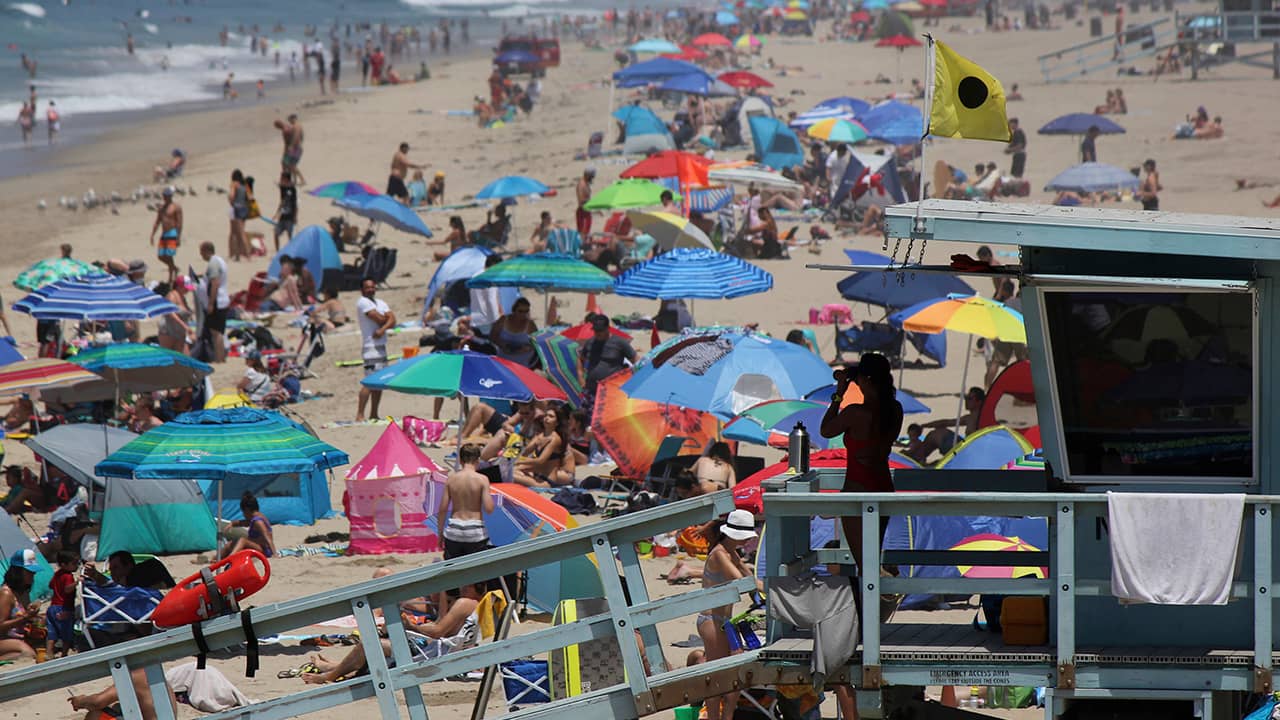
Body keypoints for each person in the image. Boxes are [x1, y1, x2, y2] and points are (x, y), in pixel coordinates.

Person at [819, 353, 904, 574]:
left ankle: (879, 594)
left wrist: (839, 394)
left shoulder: (855, 413)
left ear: (865, 380)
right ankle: (883, 590)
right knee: (873, 556)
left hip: (857, 489)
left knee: (865, 565)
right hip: (883, 486)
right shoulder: (895, 410)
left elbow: (826, 430)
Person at [302, 581, 484, 684]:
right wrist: (444, 594)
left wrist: (411, 627)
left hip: (434, 653)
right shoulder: (475, 605)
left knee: (371, 644)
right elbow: (440, 625)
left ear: (478, 585)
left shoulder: (465, 603)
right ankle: (334, 667)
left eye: (466, 584)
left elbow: (437, 631)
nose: (462, 586)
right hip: (441, 650)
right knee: (380, 639)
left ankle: (329, 675)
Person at [695, 511, 758, 720]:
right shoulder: (720, 553)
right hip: (711, 621)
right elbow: (740, 579)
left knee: (733, 673)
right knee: (718, 676)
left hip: (723, 621)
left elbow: (750, 579)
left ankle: (727, 715)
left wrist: (769, 589)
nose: (748, 539)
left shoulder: (731, 552)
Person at [436, 444, 494, 559]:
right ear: (478, 460)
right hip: (475, 533)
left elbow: (442, 509)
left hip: (454, 531)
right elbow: (489, 509)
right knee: (476, 569)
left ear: (460, 460)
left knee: (453, 568)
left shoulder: (451, 479)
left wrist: (440, 534)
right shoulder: (482, 479)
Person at [70, 664, 179, 720]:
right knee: (116, 707)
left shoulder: (136, 676)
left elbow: (97, 702)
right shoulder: (152, 674)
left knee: (95, 715)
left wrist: (80, 701)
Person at [908, 387, 986, 464]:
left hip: (968, 452)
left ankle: (916, 456)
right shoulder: (969, 417)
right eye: (966, 398)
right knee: (936, 433)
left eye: (970, 398)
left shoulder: (981, 418)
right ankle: (917, 456)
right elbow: (947, 422)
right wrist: (926, 425)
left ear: (979, 402)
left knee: (936, 434)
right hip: (965, 448)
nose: (966, 401)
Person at [356, 278, 396, 421]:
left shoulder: (380, 302)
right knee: (369, 381)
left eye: (372, 287)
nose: (371, 290)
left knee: (378, 382)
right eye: (367, 287)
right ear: (362, 289)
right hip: (370, 347)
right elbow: (379, 318)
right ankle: (360, 414)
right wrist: (386, 320)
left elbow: (393, 320)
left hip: (381, 347)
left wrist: (382, 329)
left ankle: (374, 413)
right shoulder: (362, 302)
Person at [578, 314, 635, 412]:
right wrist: (580, 377)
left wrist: (630, 379)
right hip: (592, 390)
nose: (597, 333)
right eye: (596, 330)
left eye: (600, 330)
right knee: (588, 417)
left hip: (612, 391)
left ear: (608, 328)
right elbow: (580, 359)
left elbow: (635, 360)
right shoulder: (590, 343)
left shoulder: (619, 343)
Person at [513, 403, 574, 487]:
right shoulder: (540, 436)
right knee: (512, 470)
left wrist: (519, 461)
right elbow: (525, 453)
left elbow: (540, 460)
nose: (547, 418)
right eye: (546, 415)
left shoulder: (555, 439)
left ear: (557, 423)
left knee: (510, 475)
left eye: (551, 416)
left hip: (547, 481)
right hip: (538, 475)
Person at [0, 549, 40, 661]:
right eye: (29, 572)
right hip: (3, 639)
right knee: (27, 653)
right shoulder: (6, 593)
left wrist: (34, 616)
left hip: (18, 637)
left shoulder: (23, 591)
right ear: (18, 572)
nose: (33, 574)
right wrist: (25, 617)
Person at [220, 492, 275, 559]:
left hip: (265, 550)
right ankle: (216, 559)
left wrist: (275, 554)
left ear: (247, 510)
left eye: (243, 512)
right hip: (258, 547)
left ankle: (230, 558)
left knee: (243, 540)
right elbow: (243, 523)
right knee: (231, 543)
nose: (243, 515)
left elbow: (267, 537)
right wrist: (232, 524)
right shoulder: (254, 518)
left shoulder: (258, 521)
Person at [84, 550, 176, 591]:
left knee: (153, 564)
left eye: (116, 568)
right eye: (111, 569)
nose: (112, 573)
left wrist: (96, 575)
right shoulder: (119, 585)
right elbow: (109, 584)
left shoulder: (135, 585)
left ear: (129, 566)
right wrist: (94, 576)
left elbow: (110, 584)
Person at [200, 241, 230, 363]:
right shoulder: (219, 260)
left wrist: (211, 303)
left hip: (218, 301)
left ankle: (219, 358)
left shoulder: (213, 263)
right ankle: (221, 357)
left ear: (207, 251)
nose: (201, 255)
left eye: (201, 252)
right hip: (223, 300)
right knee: (219, 331)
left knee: (216, 332)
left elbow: (215, 283)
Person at [45, 550, 78, 659]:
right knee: (66, 633)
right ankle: (64, 654)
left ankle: (49, 653)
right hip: (63, 608)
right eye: (74, 563)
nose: (77, 566)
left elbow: (50, 585)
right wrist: (77, 582)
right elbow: (67, 589)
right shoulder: (68, 576)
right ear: (64, 565)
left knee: (52, 633)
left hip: (52, 607)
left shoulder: (57, 574)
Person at [147, 186, 184, 284]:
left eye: (167, 195)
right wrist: (152, 234)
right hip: (164, 234)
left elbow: (179, 223)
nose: (165, 197)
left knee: (169, 255)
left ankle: (171, 277)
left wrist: (178, 237)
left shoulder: (176, 207)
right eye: (164, 195)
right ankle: (174, 268)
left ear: (171, 196)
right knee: (161, 256)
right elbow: (157, 222)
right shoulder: (161, 208)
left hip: (172, 233)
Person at [490, 296, 537, 367]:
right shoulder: (503, 320)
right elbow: (492, 336)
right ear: (514, 310)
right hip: (504, 360)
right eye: (520, 311)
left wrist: (527, 348)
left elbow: (536, 343)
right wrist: (502, 345)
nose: (523, 314)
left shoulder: (530, 324)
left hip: (523, 363)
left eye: (526, 311)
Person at [155, 279, 193, 354]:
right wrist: (184, 325)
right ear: (179, 286)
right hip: (168, 331)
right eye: (186, 288)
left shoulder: (183, 297)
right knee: (167, 356)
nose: (188, 290)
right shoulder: (172, 295)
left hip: (180, 332)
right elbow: (170, 312)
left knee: (184, 357)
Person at [273, 113, 306, 185]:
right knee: (290, 165)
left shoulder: (295, 126)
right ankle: (293, 180)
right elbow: (301, 138)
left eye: (290, 120)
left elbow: (294, 138)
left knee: (289, 165)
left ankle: (300, 180)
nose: (289, 122)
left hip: (294, 149)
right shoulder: (293, 127)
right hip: (297, 148)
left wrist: (291, 147)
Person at [228, 169, 252, 261]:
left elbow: (231, 196)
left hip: (237, 209)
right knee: (238, 233)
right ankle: (237, 255)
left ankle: (247, 255)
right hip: (245, 209)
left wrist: (231, 202)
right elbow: (250, 197)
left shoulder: (234, 184)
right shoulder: (244, 185)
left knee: (239, 233)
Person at [576, 167, 596, 237]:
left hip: (586, 211)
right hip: (583, 212)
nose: (592, 178)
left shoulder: (585, 183)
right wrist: (592, 201)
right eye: (592, 176)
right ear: (587, 175)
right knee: (583, 233)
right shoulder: (581, 185)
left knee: (586, 232)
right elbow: (581, 199)